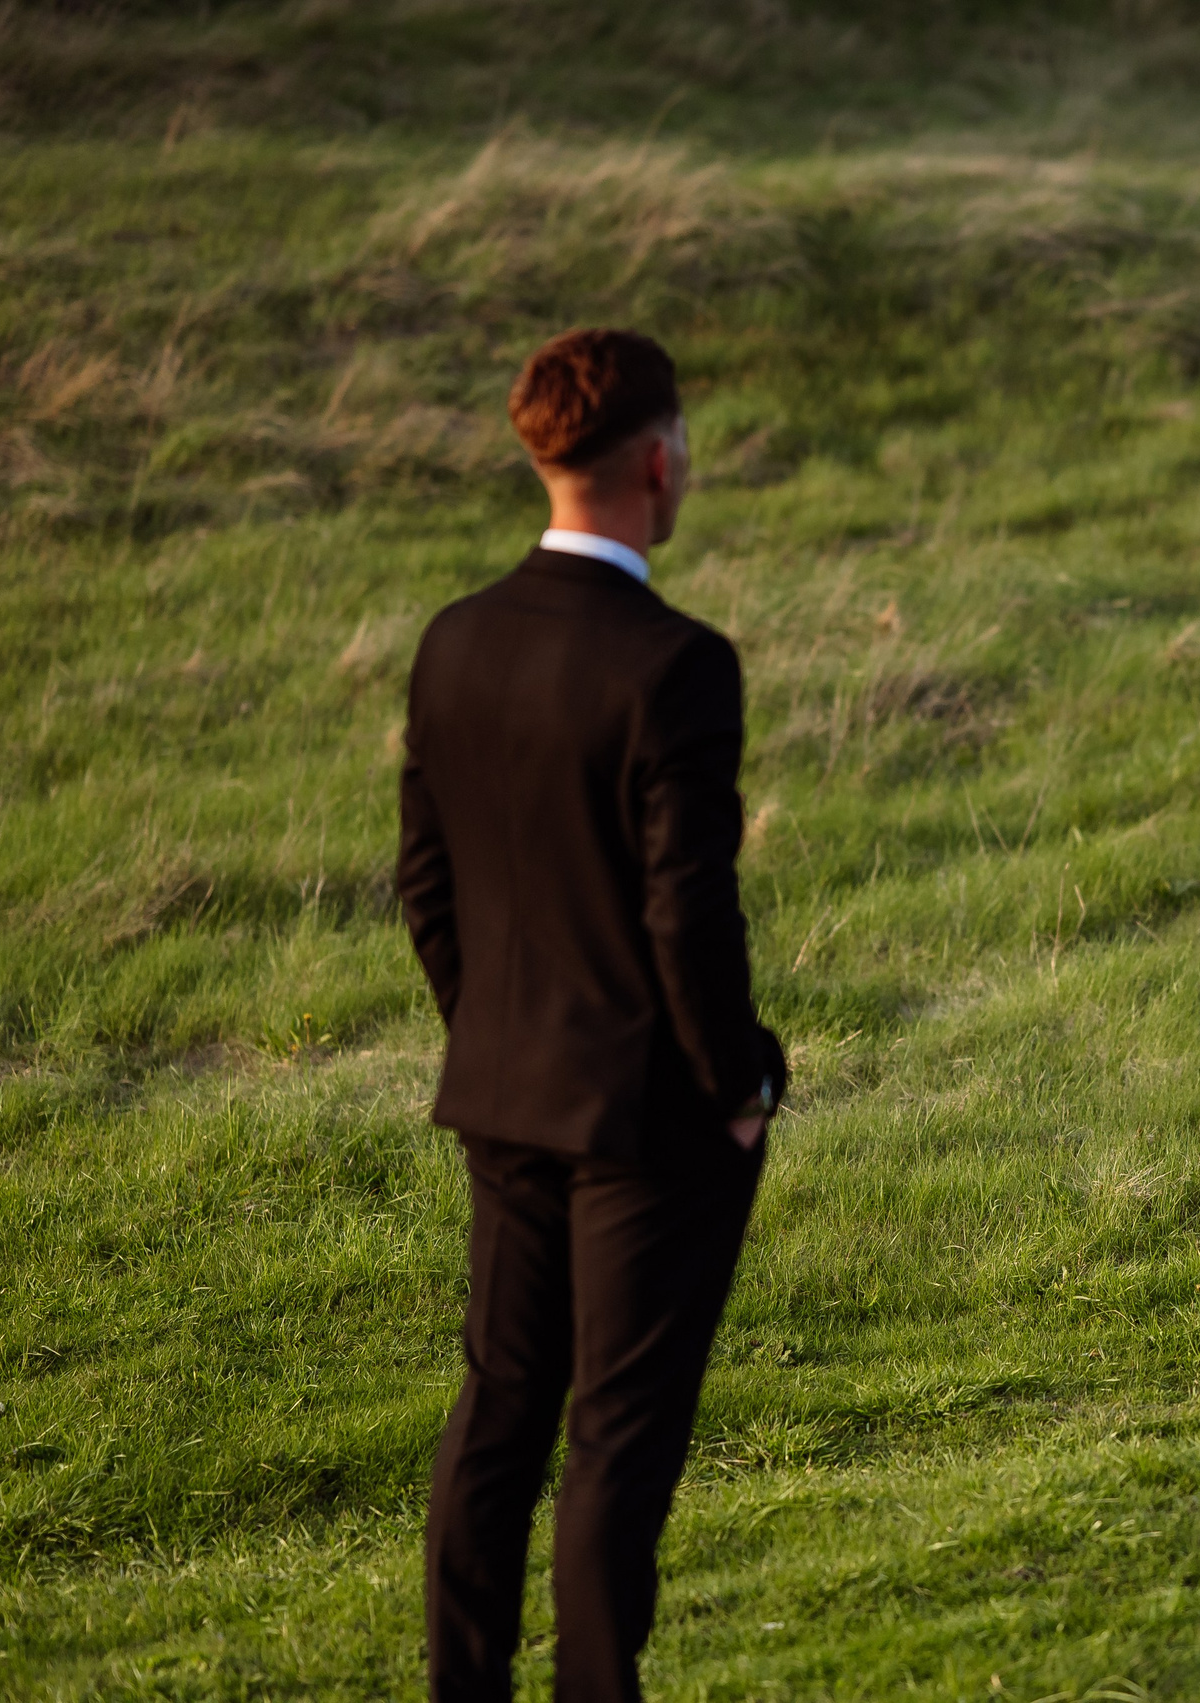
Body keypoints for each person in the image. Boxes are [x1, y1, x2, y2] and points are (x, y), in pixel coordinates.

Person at [397, 327, 788, 1700]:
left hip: (502, 1089)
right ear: (657, 458)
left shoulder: (455, 639)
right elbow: (689, 912)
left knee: (497, 1415)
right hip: (646, 1120)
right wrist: (737, 1085)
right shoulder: (674, 663)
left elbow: (425, 883)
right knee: (616, 1440)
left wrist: (495, 1026)